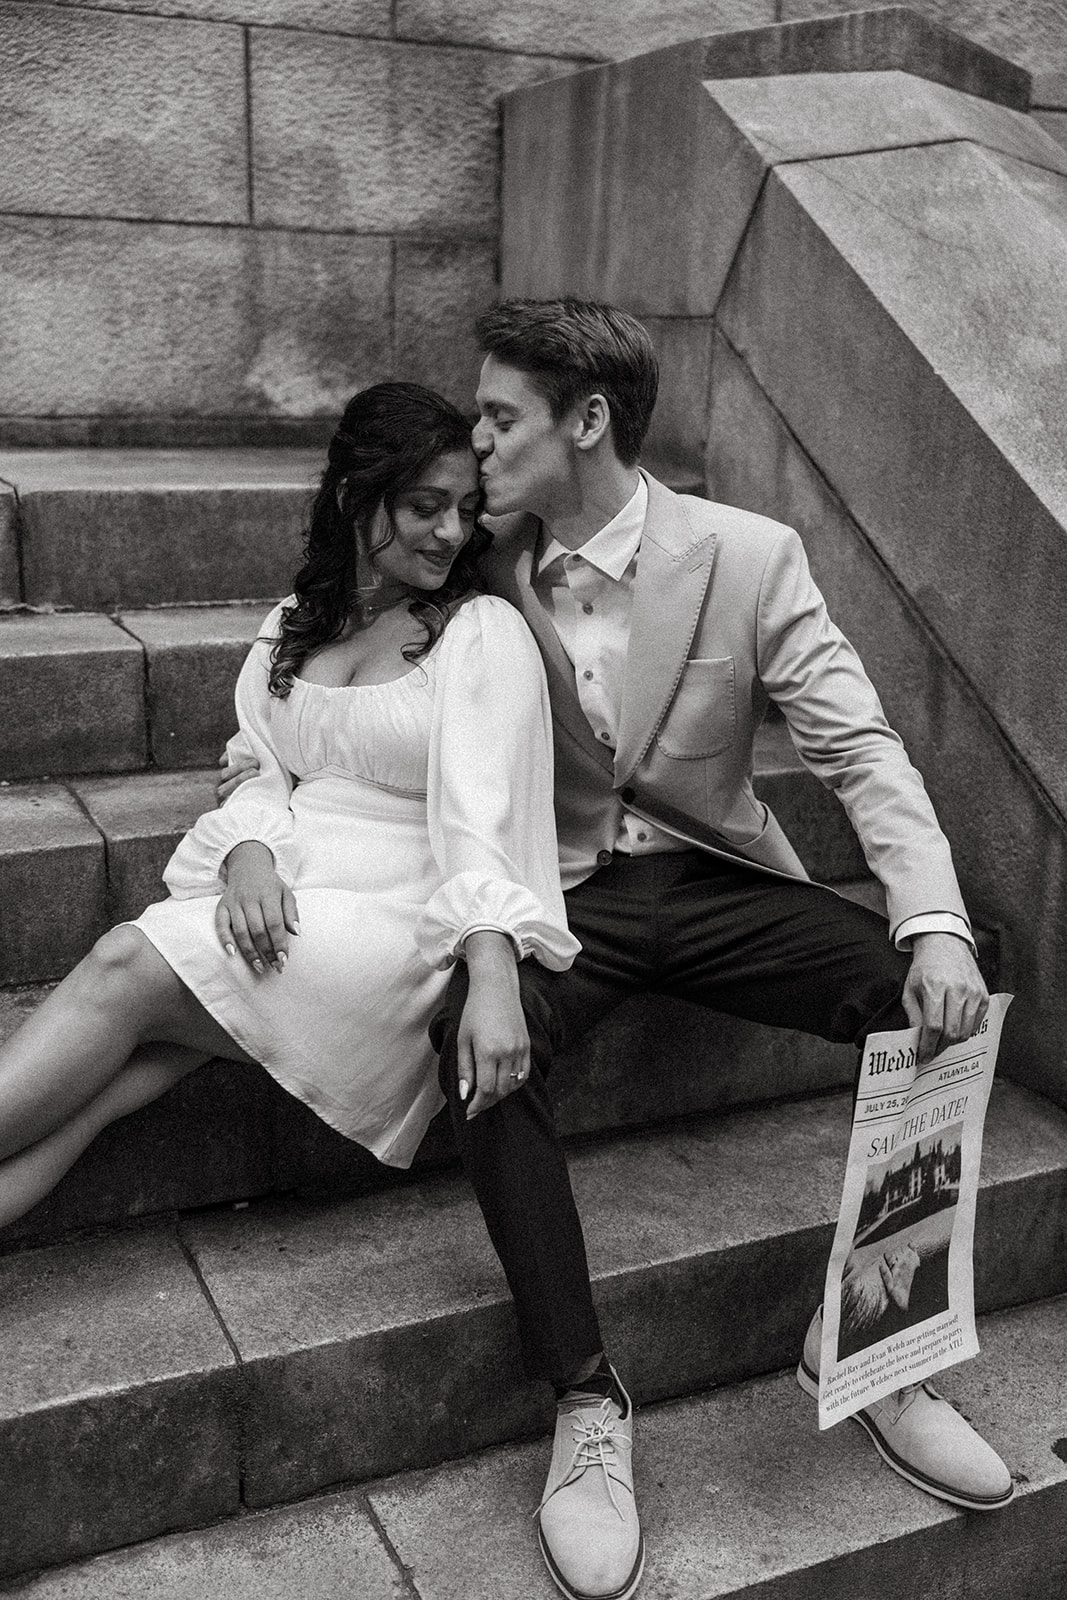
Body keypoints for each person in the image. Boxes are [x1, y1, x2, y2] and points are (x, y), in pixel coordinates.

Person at [221, 305, 1014, 1600]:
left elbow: (859, 757)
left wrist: (924, 924)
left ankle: (875, 1339)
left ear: (584, 422)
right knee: (475, 1048)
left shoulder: (749, 558)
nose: (471, 444)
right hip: (565, 898)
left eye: (497, 418)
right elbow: (328, 648)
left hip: (714, 881)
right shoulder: (475, 560)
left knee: (943, 988)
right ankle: (585, 1402)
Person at [0, 381, 577, 1241]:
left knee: (128, 964)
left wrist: (492, 973)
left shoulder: (479, 630)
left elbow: (481, 815)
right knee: (117, 1081)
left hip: (402, 925)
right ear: (356, 498)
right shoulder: (291, 624)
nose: (452, 533)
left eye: (465, 509)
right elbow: (258, 768)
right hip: (290, 891)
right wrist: (248, 856)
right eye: (424, 507)